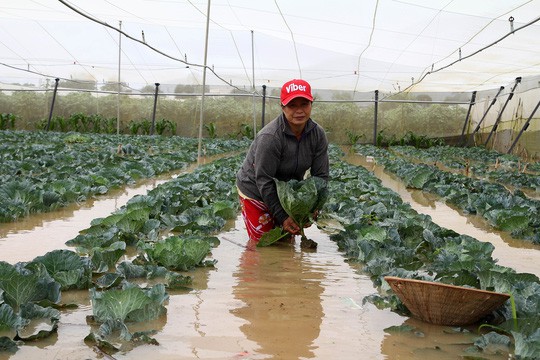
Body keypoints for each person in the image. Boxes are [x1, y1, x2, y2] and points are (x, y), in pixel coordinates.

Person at [236, 79, 329, 243]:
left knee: (286, 240)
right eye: (292, 105)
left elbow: (320, 177)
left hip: (286, 191)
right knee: (264, 242)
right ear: (282, 107)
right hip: (255, 189)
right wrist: (282, 216)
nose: (299, 111)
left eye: (304, 104)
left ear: (311, 105)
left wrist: (313, 208)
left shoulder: (317, 134)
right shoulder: (270, 137)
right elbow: (264, 180)